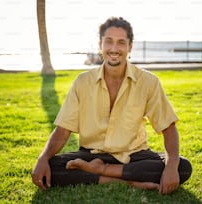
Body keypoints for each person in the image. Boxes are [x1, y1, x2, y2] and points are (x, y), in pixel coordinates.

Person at [31, 16, 192, 195]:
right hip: (91, 155)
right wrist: (43, 158)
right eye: (109, 41)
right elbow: (62, 131)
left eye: (121, 42)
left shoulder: (148, 82)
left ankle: (100, 172)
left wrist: (170, 168)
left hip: (133, 156)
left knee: (182, 167)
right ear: (100, 44)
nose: (114, 49)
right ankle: (127, 181)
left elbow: (168, 128)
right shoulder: (82, 82)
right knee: (52, 167)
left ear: (130, 46)